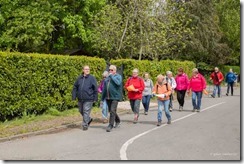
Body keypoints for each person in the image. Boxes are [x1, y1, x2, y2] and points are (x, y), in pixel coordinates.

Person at [72, 65, 98, 131]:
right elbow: (75, 87)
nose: (87, 70)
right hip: (80, 98)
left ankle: (85, 125)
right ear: (83, 70)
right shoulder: (79, 78)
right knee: (81, 110)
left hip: (89, 98)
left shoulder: (92, 78)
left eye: (88, 69)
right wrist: (74, 96)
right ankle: (88, 119)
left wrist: (95, 98)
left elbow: (95, 88)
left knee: (86, 111)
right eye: (86, 69)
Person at [101, 65, 123, 132]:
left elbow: (118, 83)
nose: (110, 71)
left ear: (115, 70)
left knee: (112, 110)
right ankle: (118, 120)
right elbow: (105, 89)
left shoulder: (118, 76)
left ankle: (110, 125)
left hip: (115, 97)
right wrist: (102, 99)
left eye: (112, 70)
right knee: (111, 111)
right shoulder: (107, 78)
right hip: (108, 97)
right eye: (109, 70)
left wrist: (112, 76)